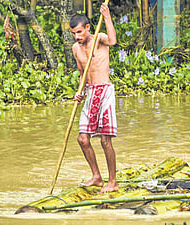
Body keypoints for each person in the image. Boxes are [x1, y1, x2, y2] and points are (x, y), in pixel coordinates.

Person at [69, 4, 118, 193]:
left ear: (87, 28)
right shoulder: (76, 48)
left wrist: (106, 17)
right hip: (90, 93)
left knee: (105, 140)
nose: (77, 37)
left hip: (104, 91)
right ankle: (97, 176)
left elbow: (113, 41)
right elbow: (82, 74)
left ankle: (112, 182)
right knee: (83, 139)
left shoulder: (99, 38)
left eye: (79, 32)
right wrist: (79, 91)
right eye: (74, 33)